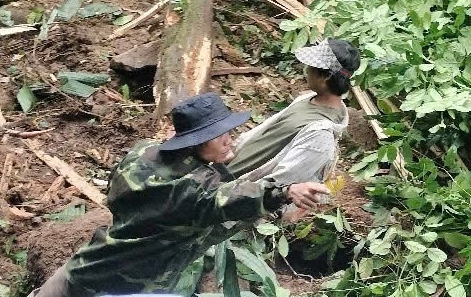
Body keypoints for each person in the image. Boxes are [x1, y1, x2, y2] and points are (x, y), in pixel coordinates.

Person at [28, 93, 328, 297]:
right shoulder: (192, 190)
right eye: (218, 134)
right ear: (196, 142)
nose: (229, 138)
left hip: (87, 266)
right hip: (130, 287)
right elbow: (224, 199)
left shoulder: (142, 153)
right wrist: (287, 190)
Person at [225, 38, 361, 186]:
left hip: (234, 191)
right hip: (226, 172)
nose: (307, 69)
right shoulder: (307, 99)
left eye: (311, 66)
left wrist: (234, 193)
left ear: (326, 76)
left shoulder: (320, 136)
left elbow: (281, 182)